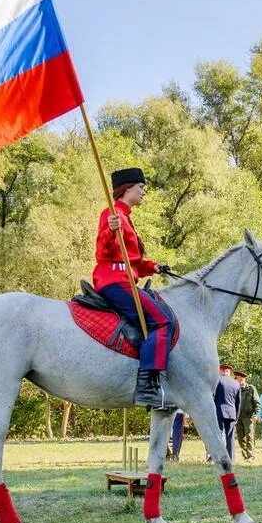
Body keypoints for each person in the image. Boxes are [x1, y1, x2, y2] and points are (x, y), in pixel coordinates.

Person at [92, 168, 173, 409]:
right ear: (128, 188)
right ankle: (147, 386)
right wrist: (109, 229)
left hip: (126, 278)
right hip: (113, 280)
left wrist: (155, 266)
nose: (144, 192)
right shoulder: (112, 213)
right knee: (162, 320)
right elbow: (101, 253)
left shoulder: (126, 218)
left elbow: (135, 262)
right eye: (141, 187)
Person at [213, 364, 240, 462]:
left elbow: (212, 397)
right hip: (232, 413)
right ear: (229, 372)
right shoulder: (236, 383)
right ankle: (231, 458)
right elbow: (238, 402)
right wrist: (236, 416)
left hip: (218, 411)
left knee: (218, 435)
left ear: (221, 371)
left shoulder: (217, 381)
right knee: (230, 436)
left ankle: (219, 458)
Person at [234, 371, 261, 462]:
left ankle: (251, 456)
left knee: (249, 436)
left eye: (240, 378)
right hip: (238, 417)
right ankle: (245, 455)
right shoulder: (235, 389)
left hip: (249, 417)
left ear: (243, 379)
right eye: (237, 378)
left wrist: (256, 414)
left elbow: (257, 403)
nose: (238, 380)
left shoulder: (251, 388)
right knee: (241, 437)